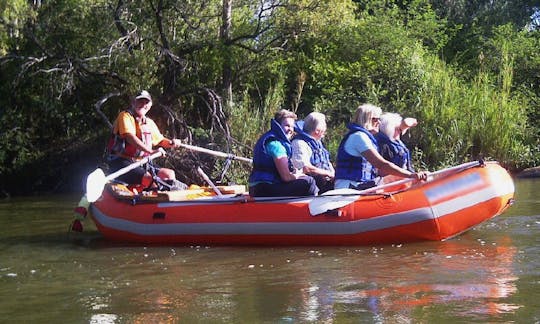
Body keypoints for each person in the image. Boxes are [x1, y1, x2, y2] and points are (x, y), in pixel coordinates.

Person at [334, 103, 428, 190]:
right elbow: (381, 164)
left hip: (360, 184)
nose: (379, 122)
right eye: (375, 119)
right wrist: (410, 175)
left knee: (399, 178)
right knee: (401, 178)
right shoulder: (359, 137)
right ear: (365, 120)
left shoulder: (365, 137)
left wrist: (405, 176)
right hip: (349, 187)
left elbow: (379, 171)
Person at [106, 90, 184, 188]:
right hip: (121, 161)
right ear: (133, 103)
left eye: (146, 102)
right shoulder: (125, 116)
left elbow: (160, 140)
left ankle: (171, 196)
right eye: (140, 101)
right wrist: (151, 151)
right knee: (149, 179)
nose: (143, 105)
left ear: (150, 105)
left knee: (169, 174)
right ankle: (156, 197)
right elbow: (130, 137)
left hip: (141, 162)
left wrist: (172, 143)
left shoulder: (149, 123)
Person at [249, 109, 319, 197]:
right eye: (287, 125)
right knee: (309, 181)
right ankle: (311, 209)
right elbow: (286, 177)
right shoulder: (276, 145)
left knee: (307, 180)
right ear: (278, 125)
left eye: (292, 126)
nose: (290, 129)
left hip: (261, 187)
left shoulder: (273, 139)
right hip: (263, 188)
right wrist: (297, 175)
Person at [291, 112, 335, 193]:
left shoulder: (318, 142)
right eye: (324, 127)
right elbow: (306, 168)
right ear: (317, 130)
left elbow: (327, 162)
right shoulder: (299, 143)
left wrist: (333, 174)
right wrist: (328, 174)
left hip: (327, 183)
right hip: (313, 186)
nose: (325, 130)